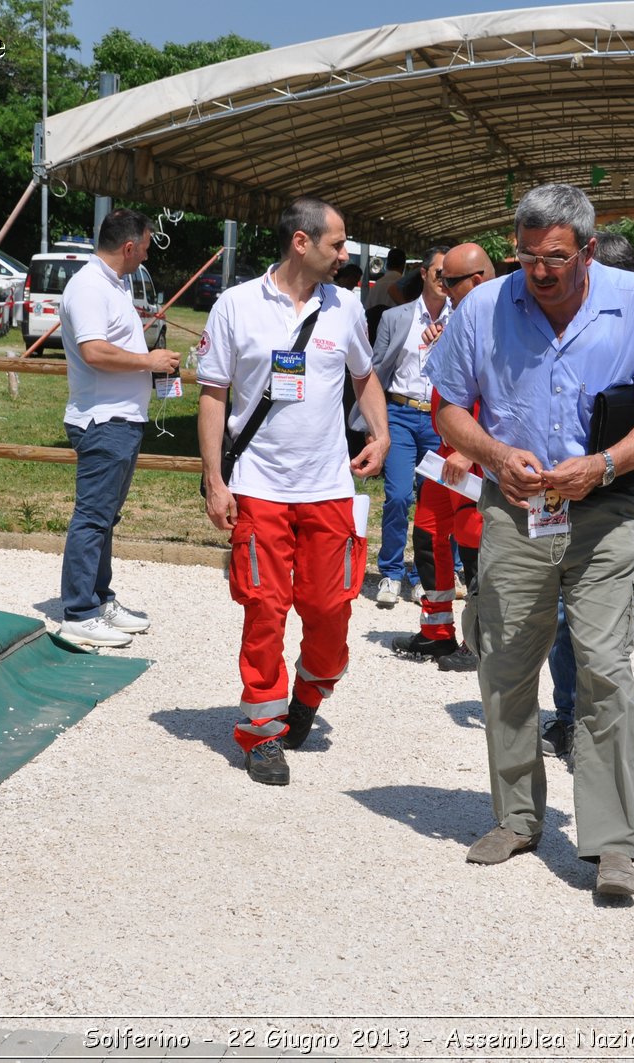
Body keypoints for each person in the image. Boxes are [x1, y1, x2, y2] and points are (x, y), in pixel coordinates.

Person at [429, 183, 634, 897]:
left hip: (604, 510)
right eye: (526, 256)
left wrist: (605, 463)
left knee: (605, 666)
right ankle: (517, 817)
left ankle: (611, 844)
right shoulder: (484, 306)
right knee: (506, 662)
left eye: (553, 258)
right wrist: (491, 453)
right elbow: (446, 405)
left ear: (587, 246)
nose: (539, 272)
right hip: (516, 511)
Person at [197, 196, 390, 786]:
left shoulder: (347, 307)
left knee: (332, 607)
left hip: (328, 487)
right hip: (258, 486)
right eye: (337, 244)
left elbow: (364, 376)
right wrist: (215, 480)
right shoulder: (235, 305)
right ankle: (261, 731)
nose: (346, 255)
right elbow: (213, 393)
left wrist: (380, 435)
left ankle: (310, 688)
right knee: (264, 607)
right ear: (301, 243)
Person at [541, 229, 634, 759]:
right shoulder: (547, 319)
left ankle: (590, 719)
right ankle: (567, 715)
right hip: (555, 486)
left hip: (617, 483)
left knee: (600, 607)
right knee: (563, 610)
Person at [55, 209, 179, 649]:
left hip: (120, 417)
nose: (147, 254)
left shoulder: (112, 284)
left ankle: (98, 598)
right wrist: (149, 361)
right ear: (129, 247)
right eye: (146, 246)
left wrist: (146, 357)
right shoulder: (89, 286)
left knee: (105, 517)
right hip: (102, 419)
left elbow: (110, 346)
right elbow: (94, 352)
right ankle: (79, 612)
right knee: (92, 518)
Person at [397, 243, 497, 666]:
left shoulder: (503, 319)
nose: (443, 288)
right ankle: (436, 631)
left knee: (475, 543)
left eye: (449, 281)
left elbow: (497, 394)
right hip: (446, 450)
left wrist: (468, 450)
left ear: (476, 280)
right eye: (439, 278)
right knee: (429, 534)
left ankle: (479, 645)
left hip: (474, 454)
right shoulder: (462, 317)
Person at [371, 246, 451, 607]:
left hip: (441, 419)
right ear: (423, 272)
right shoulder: (396, 318)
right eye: (438, 273)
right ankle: (390, 572)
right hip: (400, 414)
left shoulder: (461, 319)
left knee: (435, 504)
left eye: (450, 276)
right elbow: (372, 371)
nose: (444, 280)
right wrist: (374, 423)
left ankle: (423, 575)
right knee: (400, 495)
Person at [364, 247, 405, 343]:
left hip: (373, 336)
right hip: (395, 336)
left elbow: (366, 311)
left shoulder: (377, 285)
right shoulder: (405, 285)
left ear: (387, 264)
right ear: (403, 265)